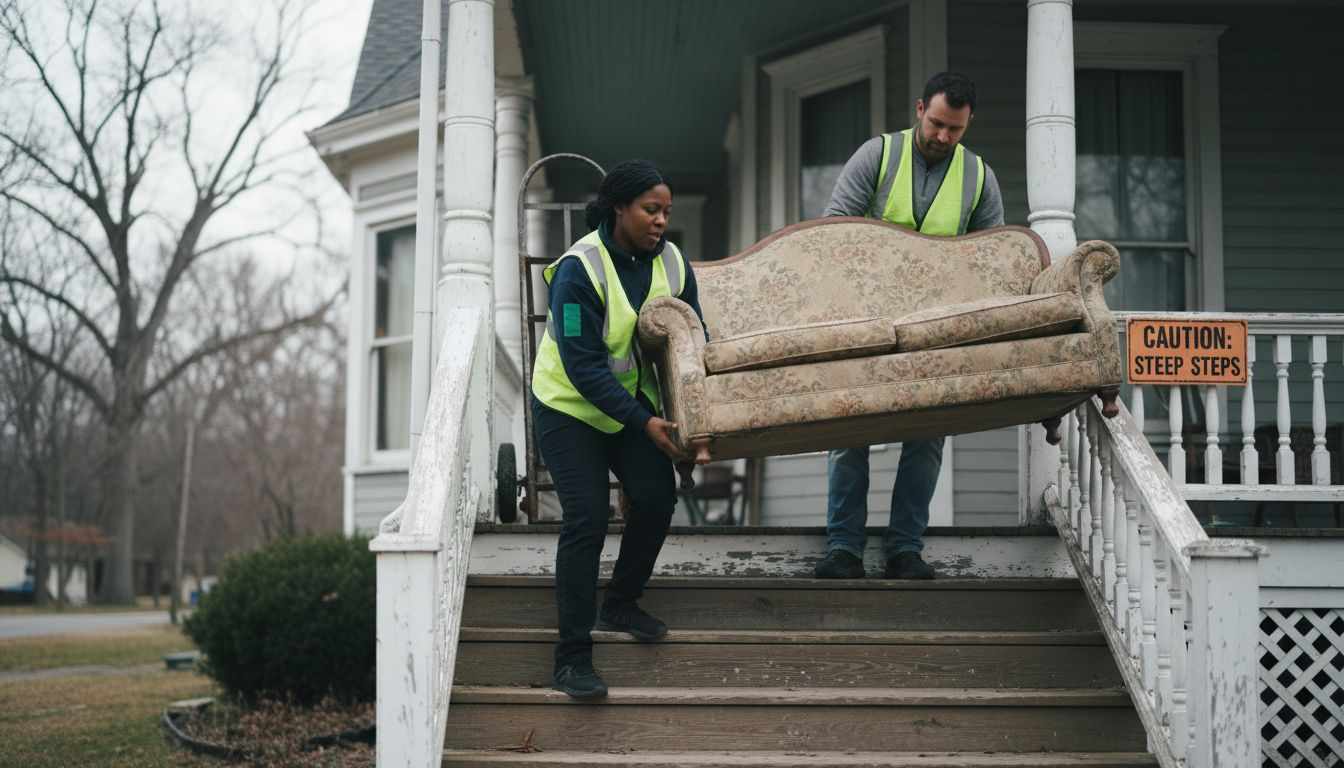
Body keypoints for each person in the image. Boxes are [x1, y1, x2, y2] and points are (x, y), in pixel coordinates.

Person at [815, 71, 1005, 581]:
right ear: (920, 108)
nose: (943, 137)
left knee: (926, 439)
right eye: (937, 123)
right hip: (864, 323)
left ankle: (904, 548)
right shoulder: (876, 156)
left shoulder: (980, 178)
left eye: (956, 130)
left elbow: (992, 262)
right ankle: (844, 549)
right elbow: (834, 235)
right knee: (849, 429)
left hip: (938, 333)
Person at [530, 159, 706, 699]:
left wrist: (697, 421)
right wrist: (644, 421)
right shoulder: (579, 269)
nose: (660, 221)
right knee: (586, 514)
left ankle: (620, 604)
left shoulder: (673, 263)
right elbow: (583, 368)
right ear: (618, 208)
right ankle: (572, 657)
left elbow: (693, 341)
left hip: (633, 407)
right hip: (568, 408)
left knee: (655, 497)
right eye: (651, 210)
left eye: (667, 212)